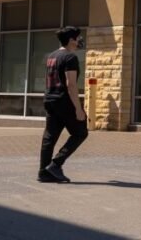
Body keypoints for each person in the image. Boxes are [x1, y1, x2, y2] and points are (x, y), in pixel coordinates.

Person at [38, 25, 89, 183]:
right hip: (64, 101)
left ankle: (43, 172)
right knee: (80, 132)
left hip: (50, 99)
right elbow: (71, 84)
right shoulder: (69, 57)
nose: (80, 40)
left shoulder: (52, 56)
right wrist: (78, 109)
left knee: (49, 137)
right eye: (78, 37)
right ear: (71, 40)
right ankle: (56, 164)